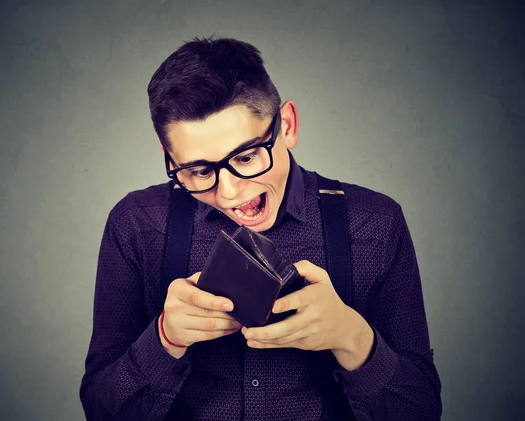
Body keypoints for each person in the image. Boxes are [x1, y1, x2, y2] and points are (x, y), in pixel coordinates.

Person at [79, 36, 442, 421]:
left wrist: (352, 338)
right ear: (170, 158)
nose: (230, 191)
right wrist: (164, 340)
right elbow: (102, 411)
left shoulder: (376, 224)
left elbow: (421, 412)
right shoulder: (136, 224)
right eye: (200, 171)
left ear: (286, 125)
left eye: (248, 156)